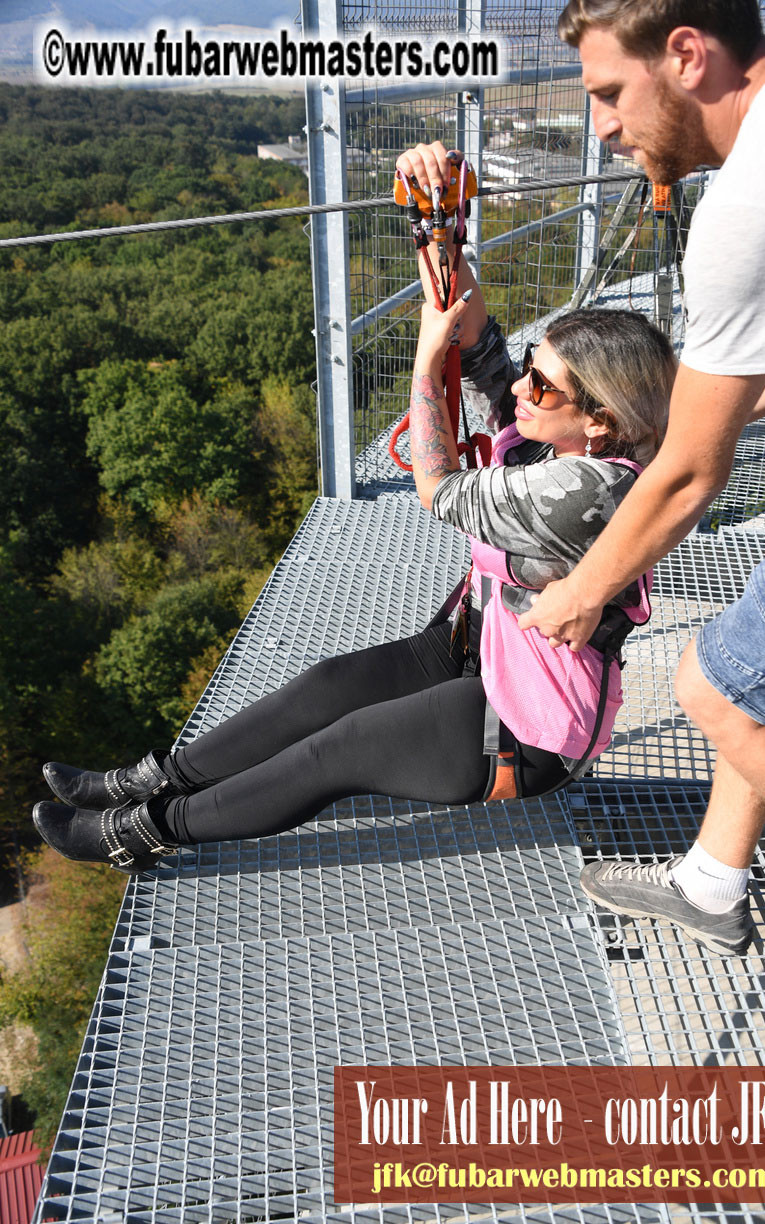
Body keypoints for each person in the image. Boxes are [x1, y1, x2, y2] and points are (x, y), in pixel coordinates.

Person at [32, 255, 675, 873]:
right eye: (531, 366)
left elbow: (439, 490)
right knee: (326, 686)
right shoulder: (551, 436)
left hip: (530, 726)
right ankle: (153, 780)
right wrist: (441, 240)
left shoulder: (589, 492)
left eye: (541, 384)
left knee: (338, 750)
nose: (519, 387)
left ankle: (140, 832)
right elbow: (480, 343)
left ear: (600, 419)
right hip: (480, 649)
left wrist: (426, 363)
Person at [502, 0, 765, 971]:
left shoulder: (755, 198)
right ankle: (713, 883)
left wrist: (582, 590)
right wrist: (678, 424)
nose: (599, 125)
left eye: (608, 92)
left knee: (715, 687)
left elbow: (686, 477)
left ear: (686, 54)